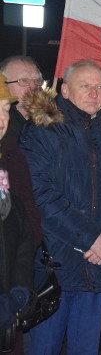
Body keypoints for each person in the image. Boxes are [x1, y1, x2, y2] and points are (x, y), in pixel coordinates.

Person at [20, 59, 101, 355]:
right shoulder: (42, 130)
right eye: (85, 86)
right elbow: (40, 194)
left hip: (100, 264)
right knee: (44, 348)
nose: (94, 93)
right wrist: (91, 238)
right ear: (64, 90)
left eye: (100, 86)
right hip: (56, 267)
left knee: (86, 350)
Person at [0, 74, 34, 355]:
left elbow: (21, 229)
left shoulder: (5, 162)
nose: (2, 118)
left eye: (5, 109)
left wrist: (19, 289)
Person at [0, 55, 43, 246]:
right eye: (23, 81)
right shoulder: (5, 132)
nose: (33, 86)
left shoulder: (49, 128)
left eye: (36, 81)